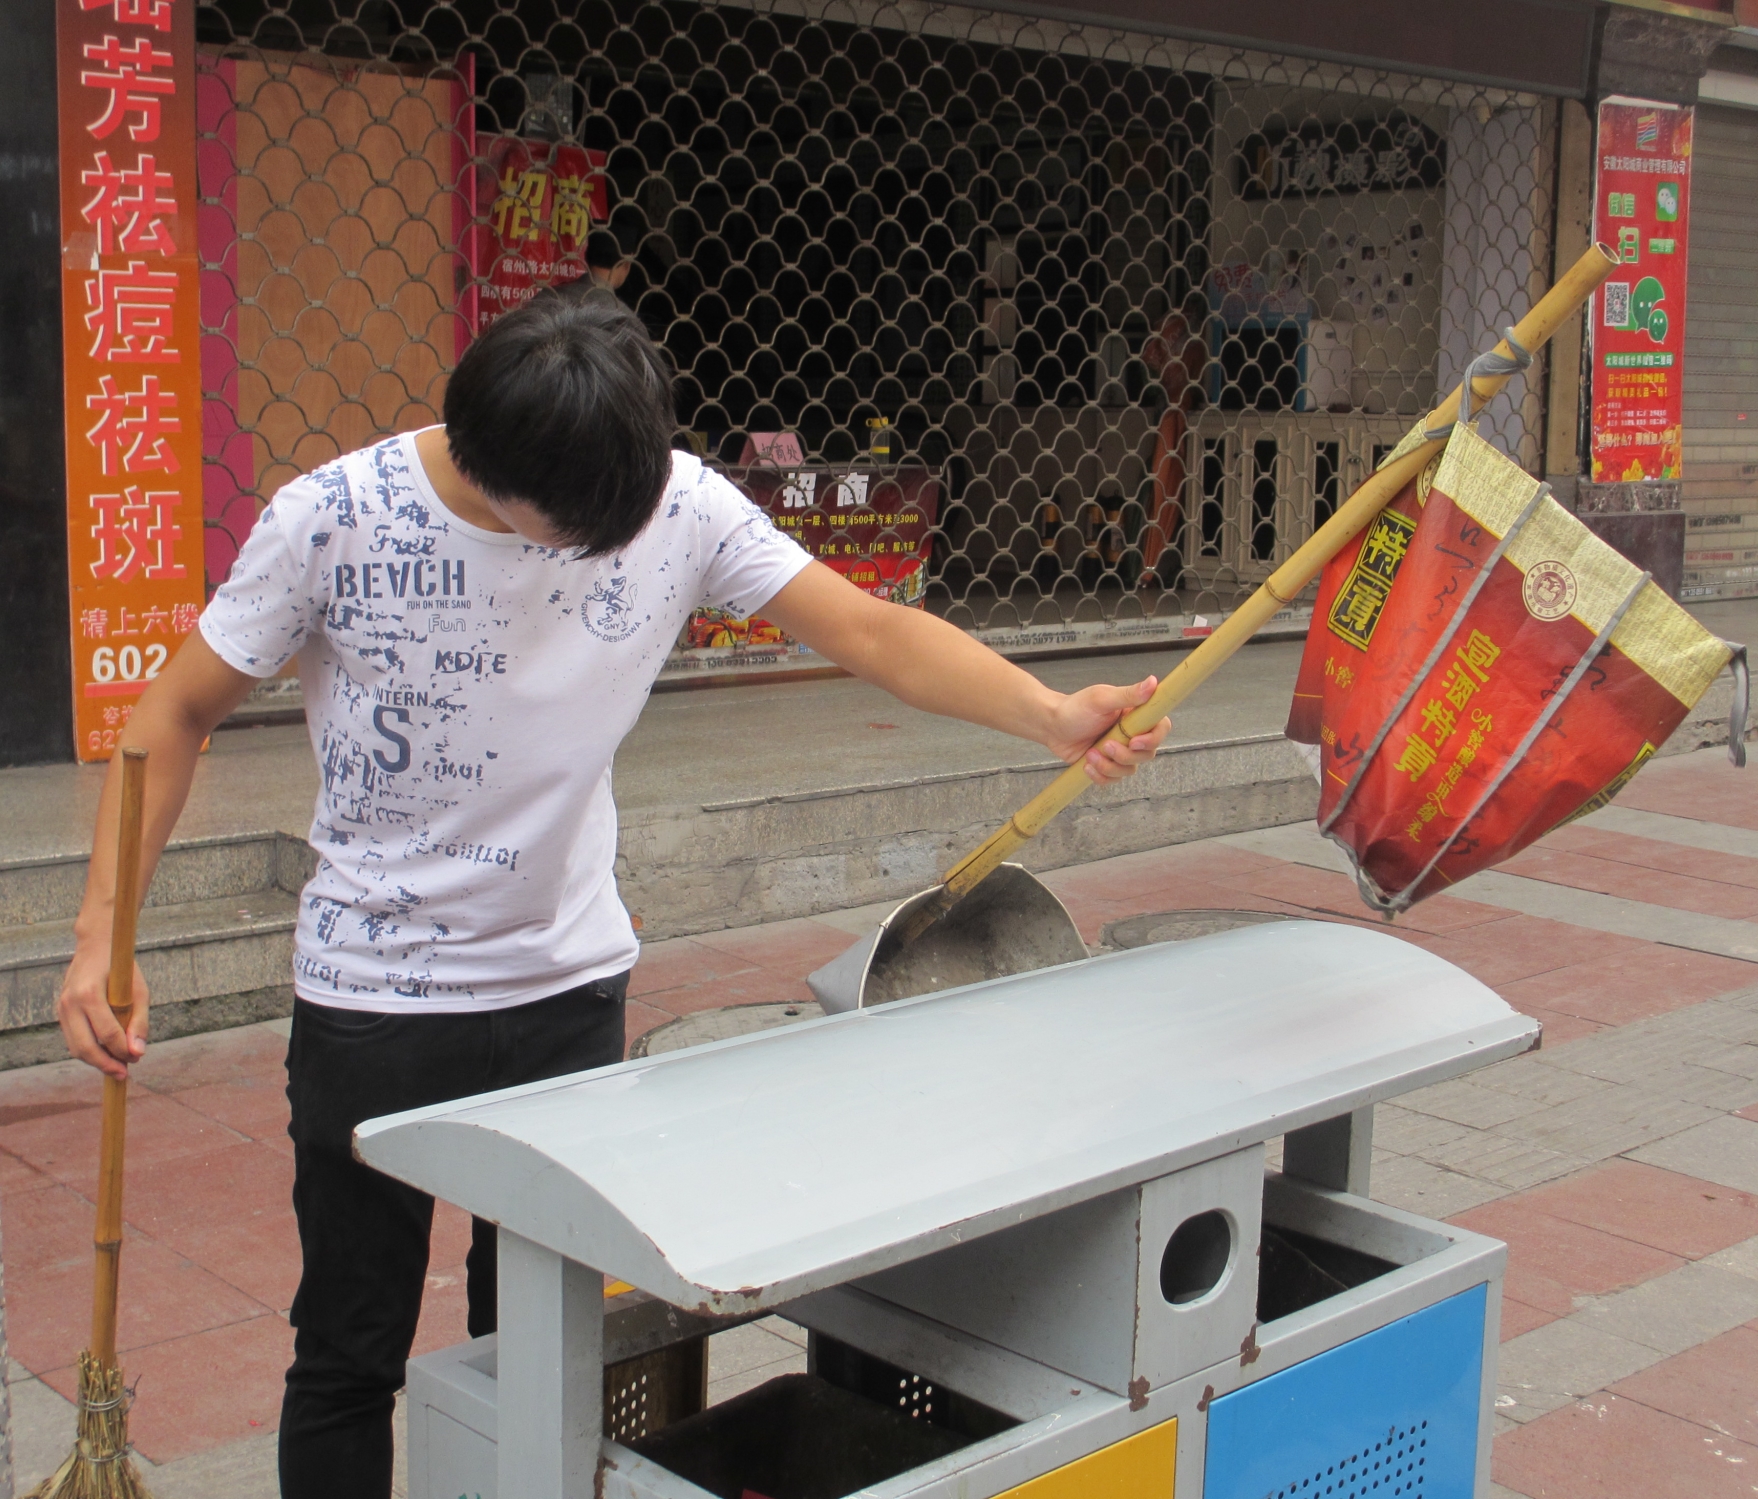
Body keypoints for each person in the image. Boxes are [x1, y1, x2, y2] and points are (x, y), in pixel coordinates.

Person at [55, 294, 1172, 1499]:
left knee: (538, 1339)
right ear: (491, 469)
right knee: (348, 1346)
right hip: (375, 1002)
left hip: (567, 990)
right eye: (580, 532)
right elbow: (174, 712)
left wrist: (1050, 713)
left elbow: (869, 631)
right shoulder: (332, 518)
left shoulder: (673, 500)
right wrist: (101, 930)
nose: (611, 546)